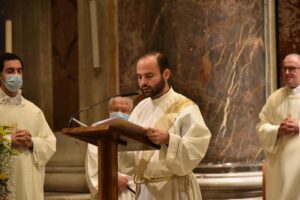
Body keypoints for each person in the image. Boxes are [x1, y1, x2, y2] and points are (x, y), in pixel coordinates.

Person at [119, 51, 211, 200]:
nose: (143, 82)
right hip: (144, 190)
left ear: (166, 74)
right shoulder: (140, 108)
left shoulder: (186, 108)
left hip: (174, 190)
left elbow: (197, 147)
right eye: (139, 77)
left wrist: (169, 140)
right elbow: (129, 161)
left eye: (149, 76)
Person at [0, 52, 56, 199]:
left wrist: (32, 142)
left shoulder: (34, 110)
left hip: (28, 183)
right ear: (0, 76)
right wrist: (7, 140)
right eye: (10, 71)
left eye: (19, 71)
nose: (16, 75)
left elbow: (50, 142)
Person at [256, 53, 300, 200]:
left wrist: (299, 128)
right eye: (284, 69)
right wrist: (277, 131)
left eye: (292, 68)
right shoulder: (275, 98)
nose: (287, 73)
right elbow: (261, 127)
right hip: (279, 169)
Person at [85, 96, 135, 200]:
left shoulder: (137, 129)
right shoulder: (98, 128)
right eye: (115, 110)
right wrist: (112, 177)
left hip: (134, 187)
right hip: (107, 187)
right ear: (109, 110)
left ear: (131, 111)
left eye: (124, 110)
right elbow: (94, 160)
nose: (119, 113)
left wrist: (129, 181)